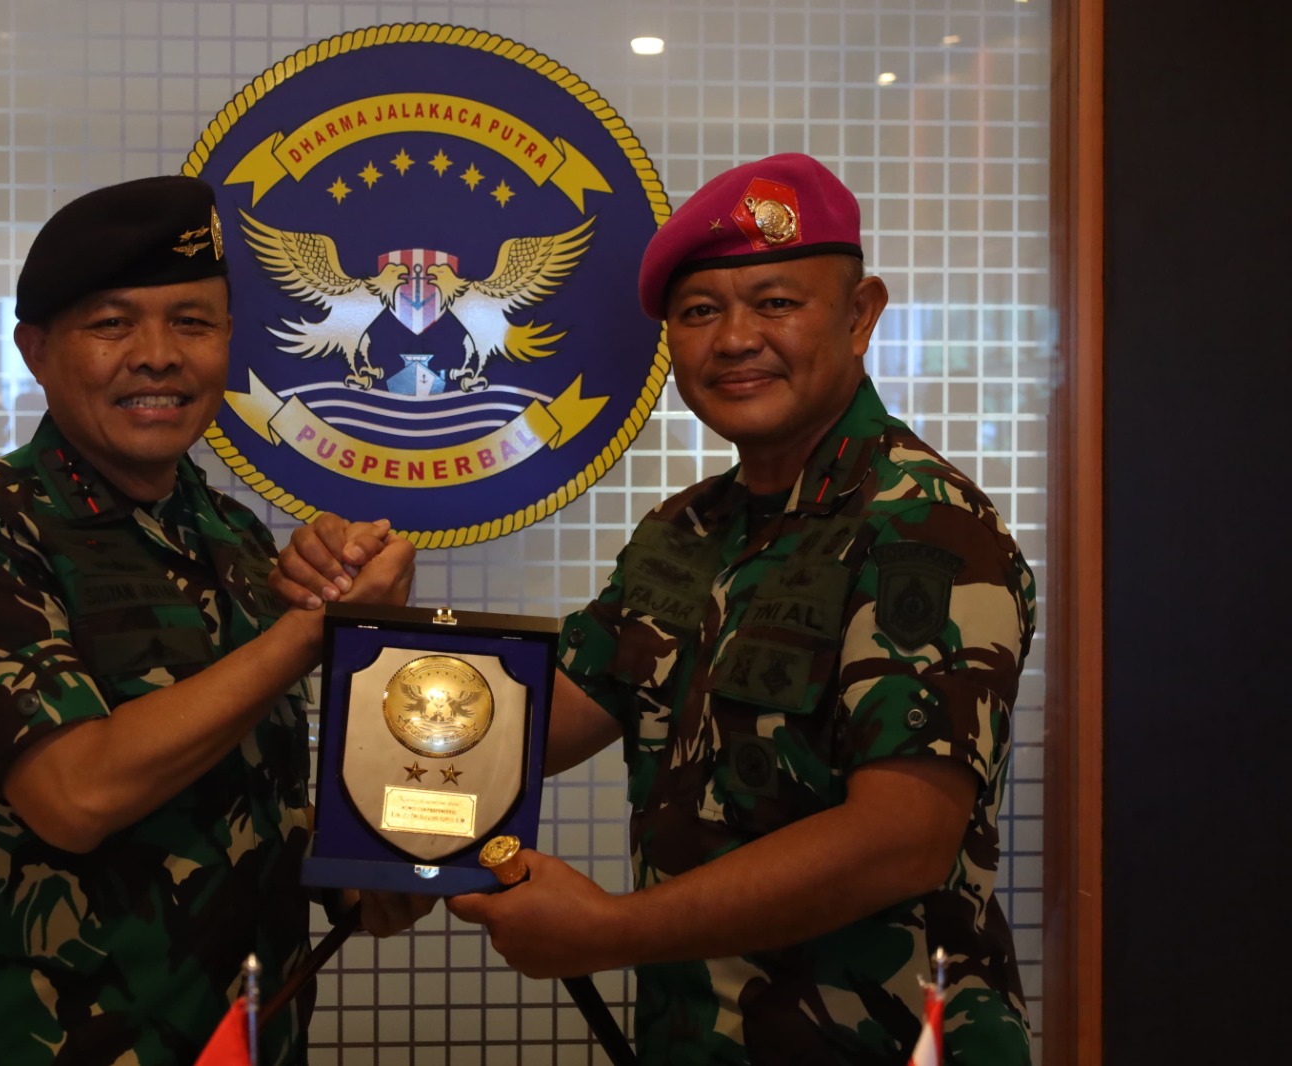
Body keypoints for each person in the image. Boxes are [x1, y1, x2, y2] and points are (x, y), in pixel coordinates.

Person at [274, 154, 1035, 1064]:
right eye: (701, 312)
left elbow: (901, 838)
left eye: (776, 303)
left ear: (860, 315)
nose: (736, 339)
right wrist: (368, 663)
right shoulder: (685, 532)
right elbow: (529, 724)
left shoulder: (924, 526)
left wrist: (610, 931)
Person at [0, 175, 416, 1066]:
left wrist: (361, 869)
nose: (158, 356)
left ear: (228, 341)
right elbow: (75, 796)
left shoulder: (231, 533)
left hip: (250, 1033)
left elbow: (243, 787)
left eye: (192, 322)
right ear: (35, 350)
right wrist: (312, 631)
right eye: (112, 324)